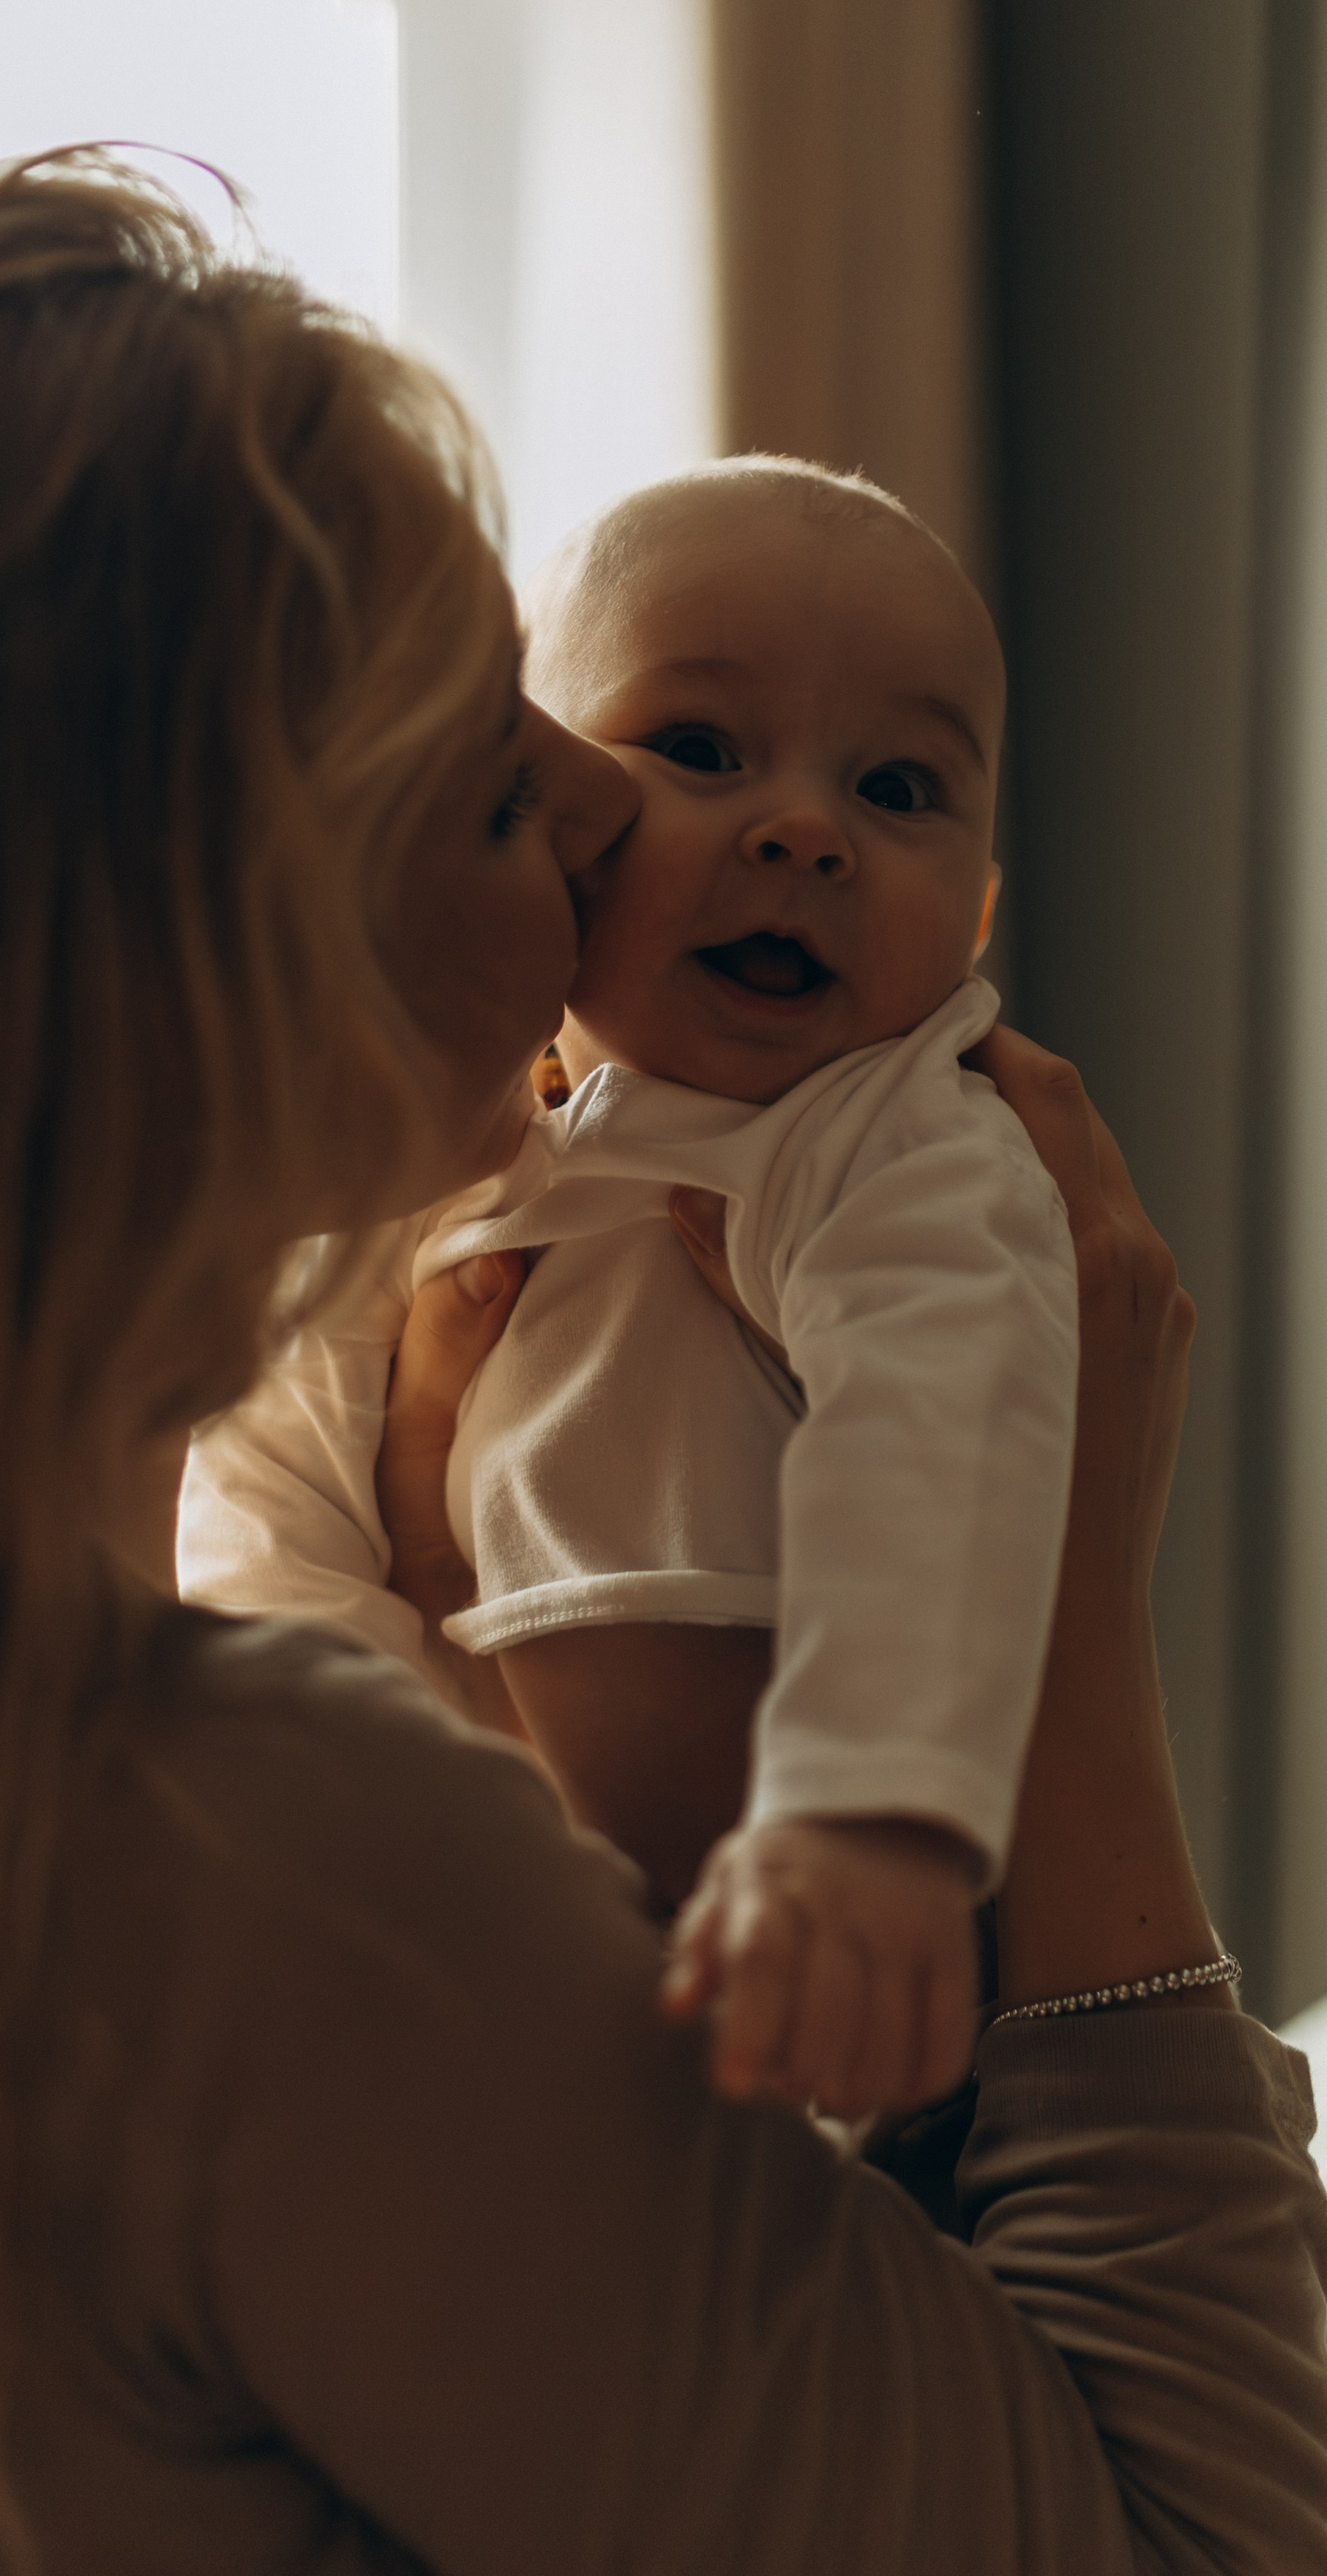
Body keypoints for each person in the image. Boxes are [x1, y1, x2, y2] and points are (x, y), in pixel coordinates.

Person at [0, 152, 1327, 2576]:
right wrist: (1061, 1660)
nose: (619, 817)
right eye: (496, 769)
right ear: (206, 960)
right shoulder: (248, 1873)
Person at [183, 457, 1083, 2118]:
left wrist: (863, 1809)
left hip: (816, 1954)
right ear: (549, 811)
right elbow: (266, 1508)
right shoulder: (442, 1144)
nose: (803, 829)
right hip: (480, 1947)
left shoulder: (887, 1141)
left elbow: (941, 1434)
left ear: (971, 918)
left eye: (894, 786)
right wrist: (358, 1821)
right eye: (696, 748)